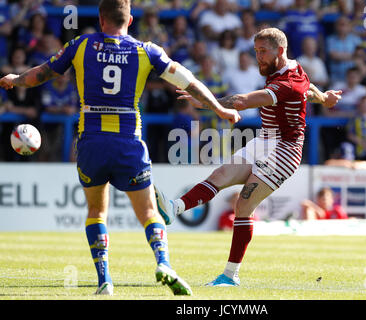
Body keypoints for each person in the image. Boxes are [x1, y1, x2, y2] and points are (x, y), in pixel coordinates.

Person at [0, 0, 241, 295]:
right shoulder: (146, 50)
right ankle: (163, 262)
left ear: (101, 19)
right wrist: (218, 108)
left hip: (91, 142)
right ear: (129, 21)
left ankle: (104, 281)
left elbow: (45, 73)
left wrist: (16, 79)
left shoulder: (81, 44)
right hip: (129, 142)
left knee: (96, 211)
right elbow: (188, 81)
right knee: (150, 212)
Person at [155, 28, 342, 287]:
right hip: (264, 139)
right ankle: (174, 209)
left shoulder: (285, 83)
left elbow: (242, 101)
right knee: (219, 176)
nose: (259, 58)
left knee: (243, 206)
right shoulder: (294, 70)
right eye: (256, 52)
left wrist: (207, 102)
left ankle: (230, 276)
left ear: (279, 51)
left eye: (263, 52)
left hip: (284, 150)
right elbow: (308, 89)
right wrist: (325, 98)